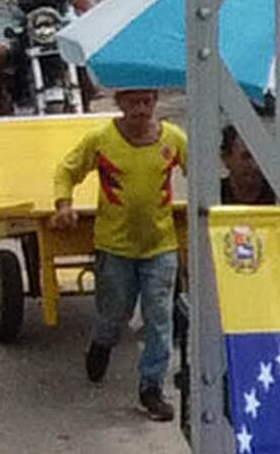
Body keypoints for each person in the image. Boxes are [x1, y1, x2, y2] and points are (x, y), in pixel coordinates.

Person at [54, 86, 192, 419]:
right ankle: (102, 342)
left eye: (147, 102)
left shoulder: (173, 139)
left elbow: (200, 173)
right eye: (133, 103)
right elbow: (67, 170)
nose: (141, 110)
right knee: (114, 310)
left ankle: (151, 387)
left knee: (159, 318)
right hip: (114, 246)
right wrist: (64, 203)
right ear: (119, 104)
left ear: (156, 102)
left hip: (160, 246)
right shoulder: (102, 139)